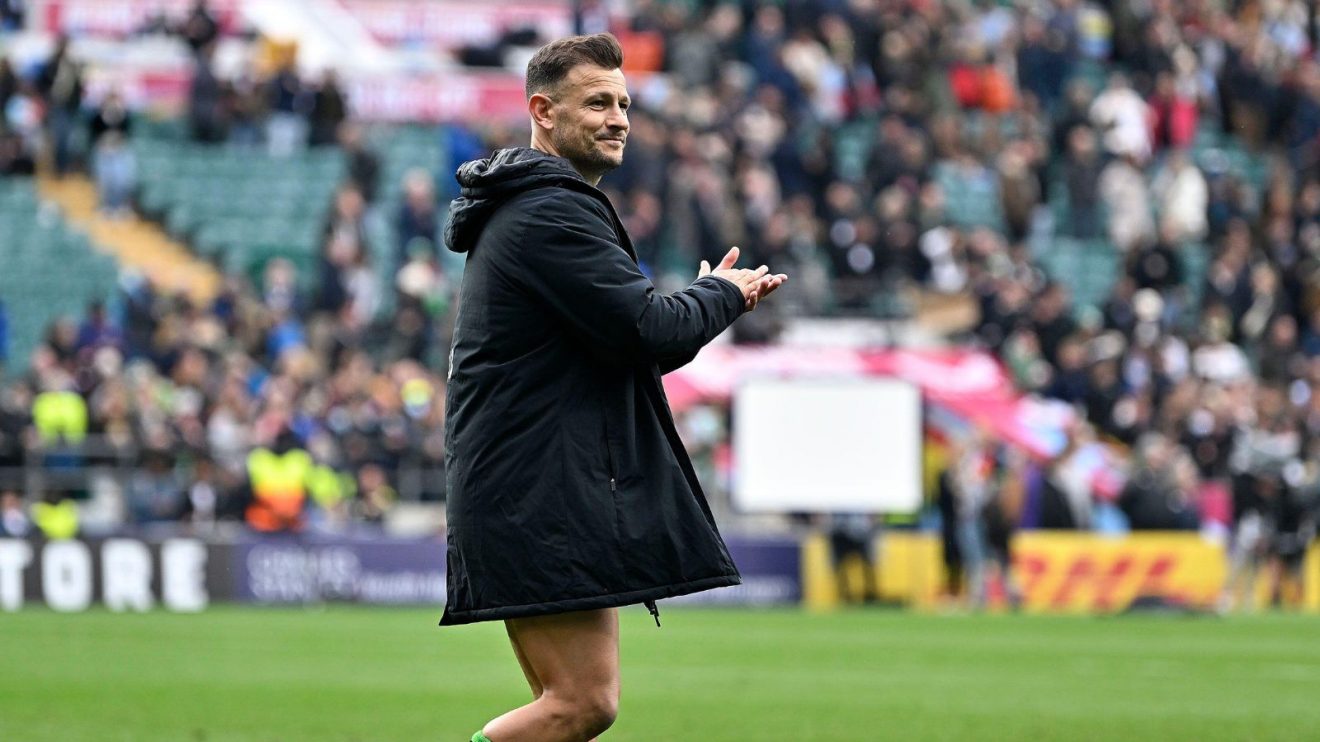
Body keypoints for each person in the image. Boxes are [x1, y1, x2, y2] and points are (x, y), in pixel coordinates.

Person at [441, 34, 786, 742]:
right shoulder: (551, 212)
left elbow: (630, 338)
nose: (619, 117)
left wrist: (706, 299)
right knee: (581, 704)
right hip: (536, 492)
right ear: (542, 111)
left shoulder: (534, 208)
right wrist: (720, 294)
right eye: (598, 102)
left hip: (525, 486)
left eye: (624, 103)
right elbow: (648, 330)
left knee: (567, 702)